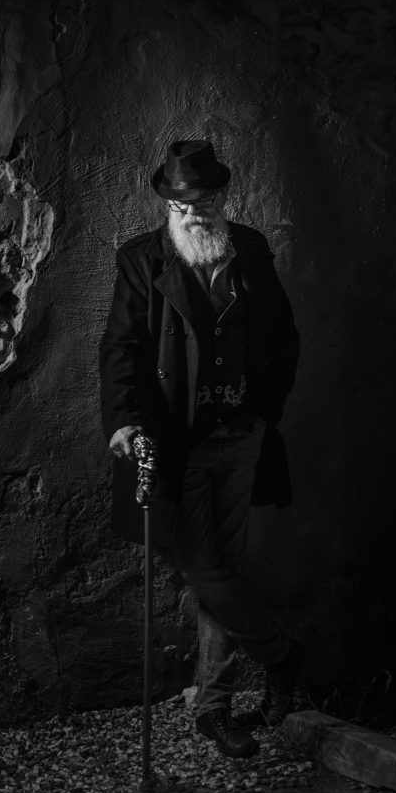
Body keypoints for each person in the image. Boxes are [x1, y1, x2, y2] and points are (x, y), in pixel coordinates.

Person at [99, 139, 301, 759]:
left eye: (201, 200)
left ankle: (213, 709)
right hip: (177, 442)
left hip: (241, 434)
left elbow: (282, 338)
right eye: (178, 202)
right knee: (203, 568)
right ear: (167, 202)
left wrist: (264, 417)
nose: (189, 212)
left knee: (225, 571)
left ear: (219, 197)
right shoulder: (142, 259)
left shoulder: (250, 251)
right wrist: (126, 420)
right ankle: (286, 660)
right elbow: (122, 347)